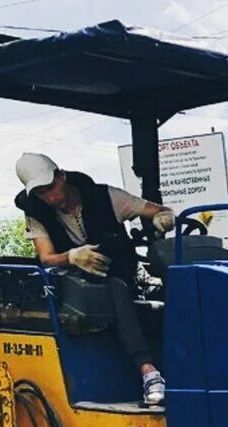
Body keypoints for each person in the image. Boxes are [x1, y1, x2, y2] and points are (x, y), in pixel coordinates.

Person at [14, 152, 175, 405]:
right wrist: (72, 257)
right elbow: (46, 258)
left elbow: (157, 210)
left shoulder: (107, 197)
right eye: (42, 193)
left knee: (169, 291)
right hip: (72, 287)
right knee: (115, 289)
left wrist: (163, 216)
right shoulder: (36, 214)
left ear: (62, 176)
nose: (51, 197)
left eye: (52, 187)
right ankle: (149, 372)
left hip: (124, 274)